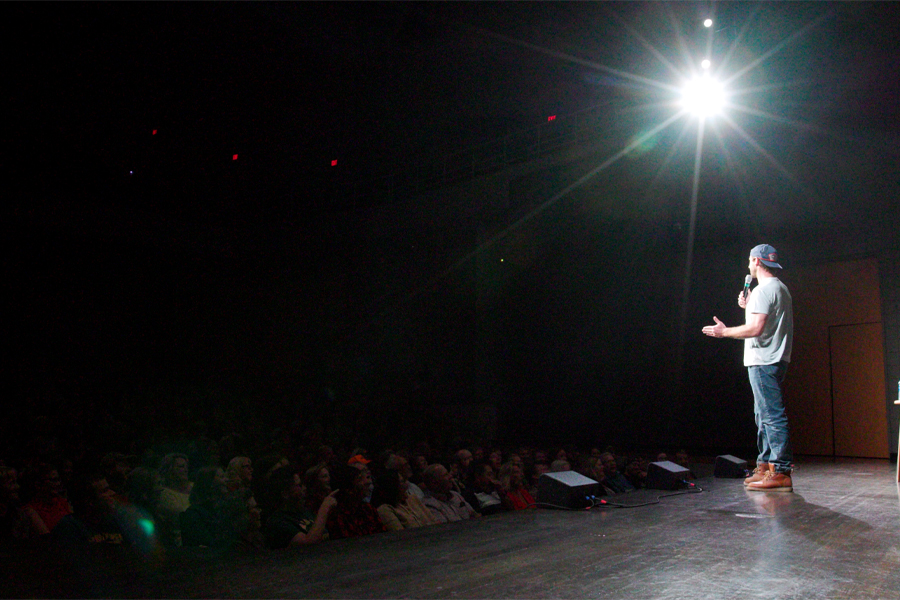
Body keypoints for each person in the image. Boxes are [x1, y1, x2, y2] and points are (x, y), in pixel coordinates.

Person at [702, 243, 794, 492]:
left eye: (749, 261)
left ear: (755, 261)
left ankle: (781, 470)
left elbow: (755, 329)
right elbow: (764, 319)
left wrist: (724, 332)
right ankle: (765, 466)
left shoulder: (765, 290)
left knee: (772, 416)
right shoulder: (777, 288)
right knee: (762, 415)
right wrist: (750, 303)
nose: (748, 265)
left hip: (764, 360)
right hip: (772, 358)